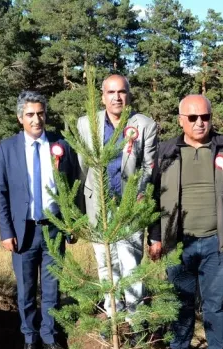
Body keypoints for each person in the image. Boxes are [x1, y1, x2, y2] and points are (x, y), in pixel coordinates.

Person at [149, 95, 223, 349]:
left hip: (217, 243)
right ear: (181, 119)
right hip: (177, 244)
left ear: (211, 117)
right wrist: (155, 236)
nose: (200, 123)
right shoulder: (166, 150)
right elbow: (151, 196)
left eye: (205, 117)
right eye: (193, 118)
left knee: (216, 304)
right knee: (179, 302)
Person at [0, 91, 80, 349]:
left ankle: (50, 337)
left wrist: (72, 222)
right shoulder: (7, 148)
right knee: (26, 290)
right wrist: (6, 231)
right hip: (24, 231)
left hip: (54, 227)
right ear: (20, 118)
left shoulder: (61, 145)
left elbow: (73, 186)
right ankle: (30, 341)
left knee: (53, 289)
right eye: (30, 114)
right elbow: (0, 192)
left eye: (40, 113)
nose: (36, 119)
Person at [76, 74, 158, 320]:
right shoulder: (85, 124)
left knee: (130, 262)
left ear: (128, 95)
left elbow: (148, 165)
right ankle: (114, 315)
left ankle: (134, 318)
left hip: (130, 205)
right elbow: (83, 167)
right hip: (98, 205)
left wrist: (140, 191)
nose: (117, 97)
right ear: (102, 97)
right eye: (111, 92)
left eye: (121, 91)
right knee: (105, 262)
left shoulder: (144, 124)